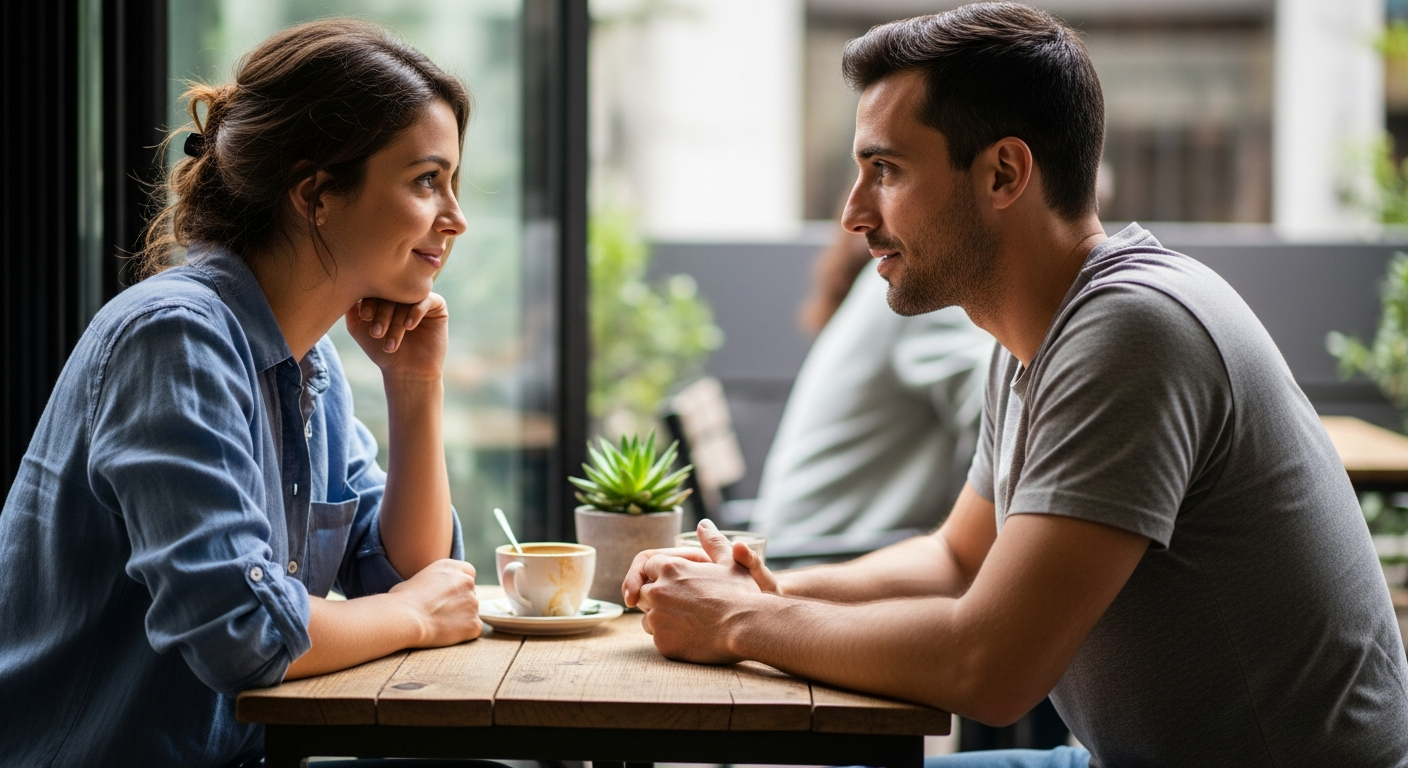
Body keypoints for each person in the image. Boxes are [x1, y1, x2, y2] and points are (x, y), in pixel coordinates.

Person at [622, 4, 1408, 766]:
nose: (855, 213)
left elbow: (987, 669)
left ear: (1003, 172)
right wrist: (771, 585)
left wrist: (741, 624)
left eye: (886, 171)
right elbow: (959, 560)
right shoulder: (1030, 337)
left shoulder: (1133, 332)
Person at [0, 19, 484, 767]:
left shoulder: (308, 361)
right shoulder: (174, 339)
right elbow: (242, 633)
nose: (455, 217)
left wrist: (414, 388)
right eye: (426, 180)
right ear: (315, 192)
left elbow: (412, 575)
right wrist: (408, 618)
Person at [752, 220, 994, 546]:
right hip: (822, 557)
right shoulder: (916, 295)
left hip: (805, 548)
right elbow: (1006, 417)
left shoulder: (886, 288)